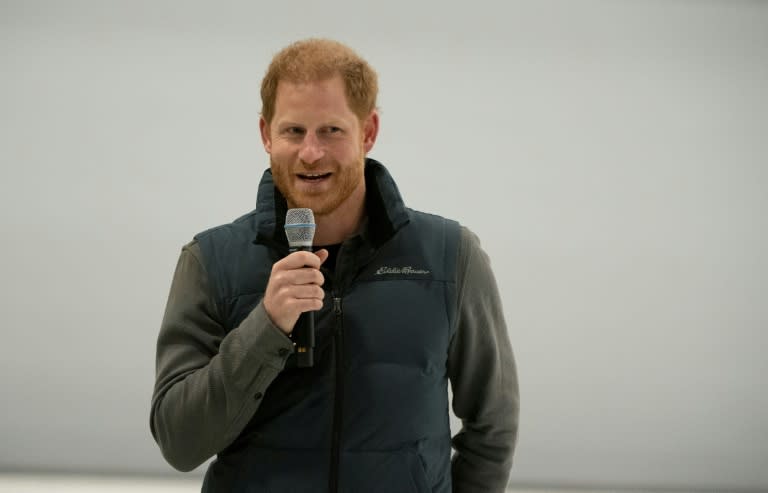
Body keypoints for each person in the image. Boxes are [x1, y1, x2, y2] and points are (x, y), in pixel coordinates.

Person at [150, 38, 519, 493]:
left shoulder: (449, 257)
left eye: (331, 131)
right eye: (293, 131)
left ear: (368, 131)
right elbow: (178, 441)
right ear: (266, 134)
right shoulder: (211, 262)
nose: (310, 153)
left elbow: (493, 425)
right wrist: (265, 328)